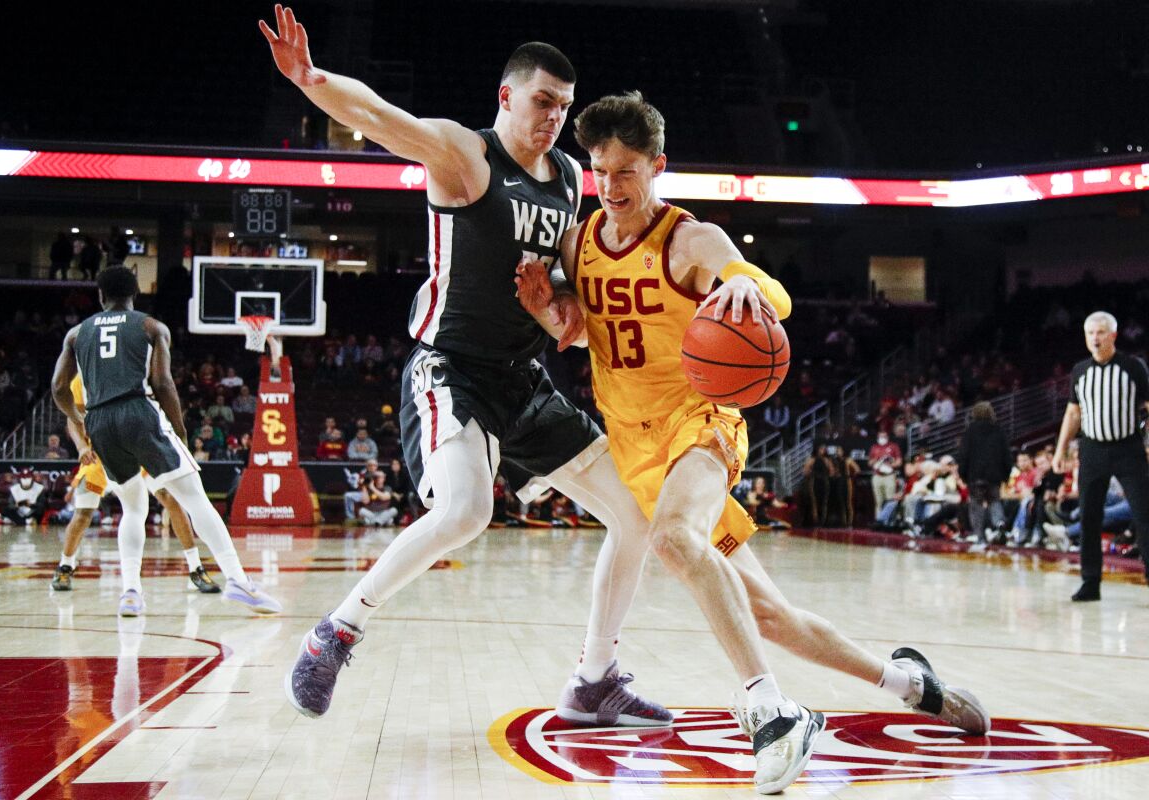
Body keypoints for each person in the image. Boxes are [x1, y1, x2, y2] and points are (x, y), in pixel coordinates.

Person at [515, 91, 988, 791]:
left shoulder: (689, 239)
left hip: (701, 426)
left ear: (657, 167)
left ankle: (771, 712)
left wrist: (744, 287)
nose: (612, 188)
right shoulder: (578, 242)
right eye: (601, 171)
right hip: (634, 445)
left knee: (674, 541)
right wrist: (548, 310)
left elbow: (766, 288)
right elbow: (586, 329)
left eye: (627, 172)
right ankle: (911, 684)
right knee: (768, 614)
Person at [262, 5, 669, 738]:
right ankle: (337, 632)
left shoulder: (572, 177)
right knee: (465, 513)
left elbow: (569, 316)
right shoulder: (464, 156)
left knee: (637, 514)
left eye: (564, 108)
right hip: (450, 369)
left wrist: (563, 312)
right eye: (543, 102)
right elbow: (382, 116)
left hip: (524, 378)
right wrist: (311, 78)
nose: (554, 118)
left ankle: (593, 681)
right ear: (508, 96)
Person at [51, 266, 280, 616]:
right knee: (195, 498)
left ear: (100, 296)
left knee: (133, 508)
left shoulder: (76, 333)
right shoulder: (150, 326)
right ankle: (238, 580)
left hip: (100, 421)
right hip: (138, 412)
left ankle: (130, 593)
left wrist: (83, 422)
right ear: (135, 294)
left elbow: (57, 389)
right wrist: (180, 431)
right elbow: (163, 383)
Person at [52, 373, 221, 595]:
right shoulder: (83, 377)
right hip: (99, 451)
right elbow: (72, 418)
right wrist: (82, 447)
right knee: (83, 513)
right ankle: (66, 564)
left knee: (170, 500)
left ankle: (195, 567)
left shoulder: (130, 366)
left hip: (138, 448)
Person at [1051, 311, 1149, 601]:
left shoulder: (1133, 367)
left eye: (1101, 332)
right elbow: (1073, 413)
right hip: (1092, 449)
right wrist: (1060, 449)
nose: (1095, 337)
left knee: (1144, 513)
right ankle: (1090, 582)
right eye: (1090, 333)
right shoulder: (1080, 371)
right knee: (1090, 517)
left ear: (1113, 335)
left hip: (1128, 448)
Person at [957, 401, 1013, 544]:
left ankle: (980, 537)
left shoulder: (970, 431)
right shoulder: (999, 430)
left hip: (975, 476)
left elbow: (963, 455)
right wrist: (1006, 475)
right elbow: (1007, 455)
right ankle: (999, 523)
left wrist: (963, 474)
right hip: (994, 475)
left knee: (976, 504)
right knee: (995, 501)